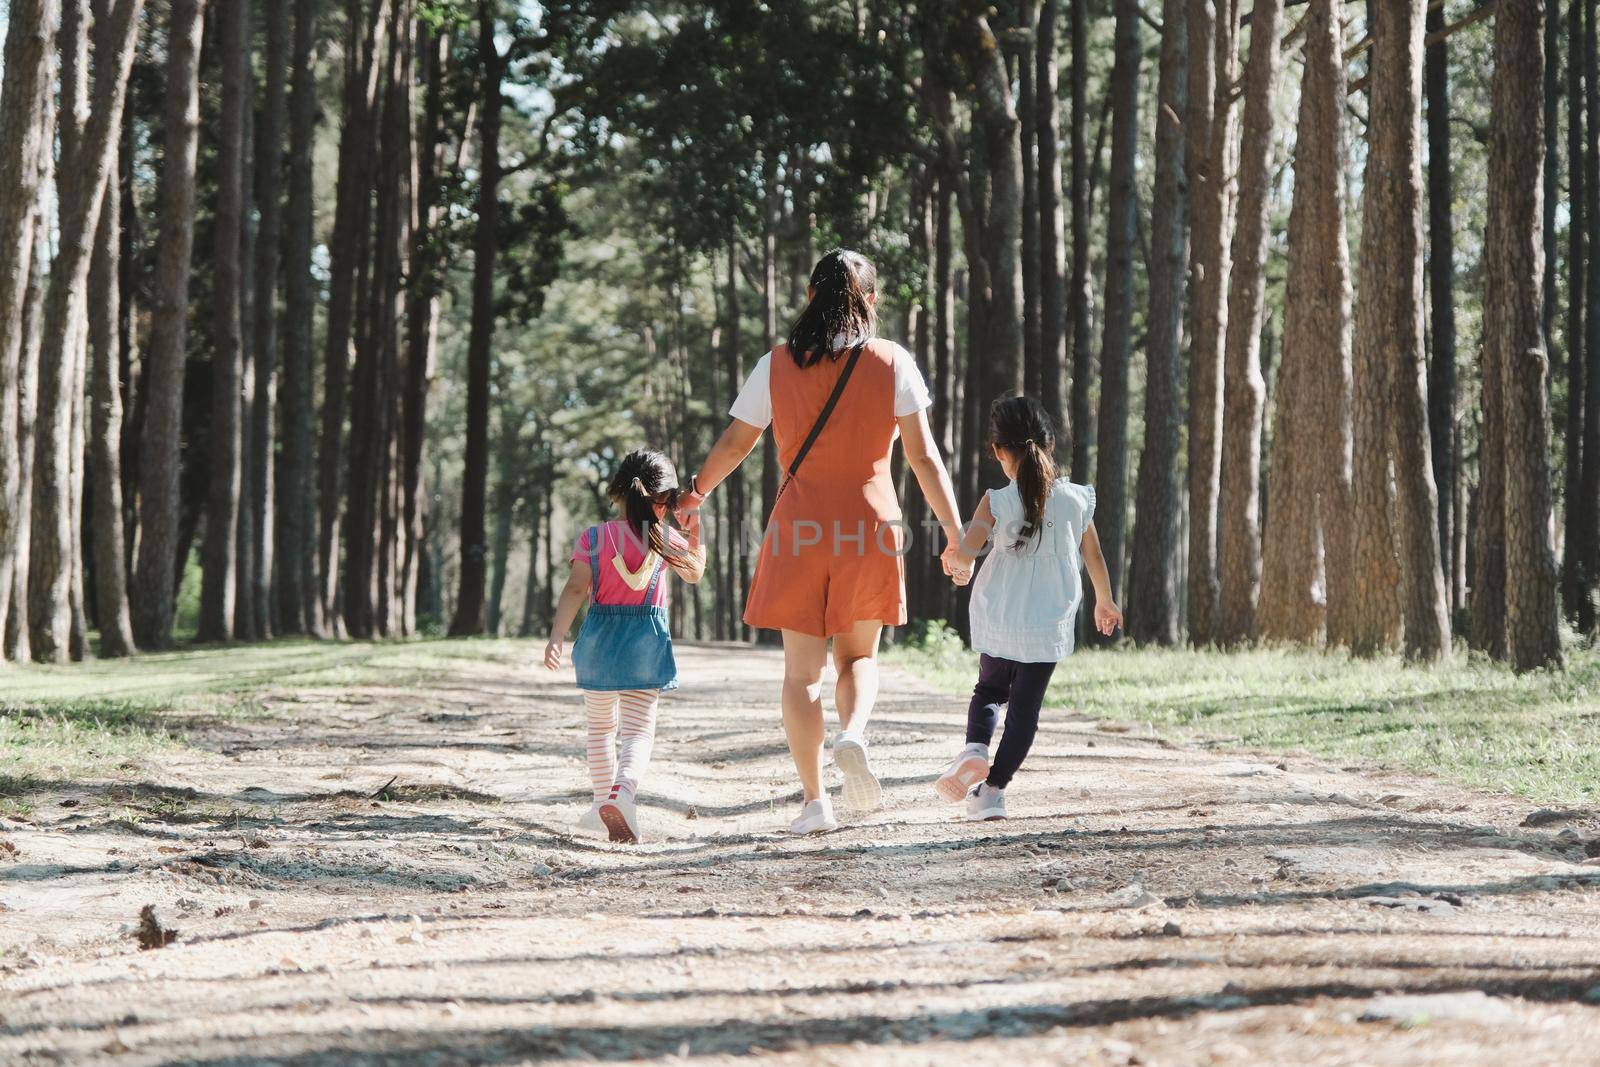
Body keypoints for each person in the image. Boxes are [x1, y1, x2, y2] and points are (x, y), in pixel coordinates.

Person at [676, 249, 964, 835]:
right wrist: (956, 533)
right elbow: (924, 457)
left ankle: (814, 803)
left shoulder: (777, 364)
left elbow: (736, 443)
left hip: (798, 527)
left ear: (810, 296)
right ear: (872, 301)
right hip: (870, 523)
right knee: (858, 657)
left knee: (800, 675)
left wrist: (695, 493)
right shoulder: (892, 361)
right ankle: (853, 734)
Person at [939, 396, 1122, 821]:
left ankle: (975, 750)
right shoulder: (1077, 499)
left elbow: (967, 553)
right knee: (1025, 710)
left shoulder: (996, 500)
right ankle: (992, 792)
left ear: (1001, 451)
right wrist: (1105, 600)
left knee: (989, 691)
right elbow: (1092, 554)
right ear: (1049, 444)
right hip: (1049, 619)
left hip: (1002, 614)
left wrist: (955, 562)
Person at [545, 449, 706, 844]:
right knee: (637, 732)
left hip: (599, 642)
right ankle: (623, 794)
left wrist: (557, 636)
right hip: (645, 644)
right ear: (665, 501)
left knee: (600, 730)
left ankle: (605, 801)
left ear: (619, 491)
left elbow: (577, 588)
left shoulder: (594, 537)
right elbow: (696, 574)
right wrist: (694, 529)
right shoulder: (667, 538)